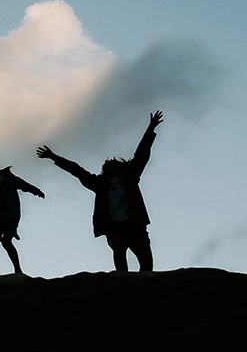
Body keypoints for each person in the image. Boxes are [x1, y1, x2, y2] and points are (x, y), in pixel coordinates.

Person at [36, 111, 163, 272]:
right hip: (114, 226)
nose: (105, 162)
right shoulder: (99, 183)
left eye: (109, 161)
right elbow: (77, 170)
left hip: (134, 223)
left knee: (146, 261)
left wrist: (150, 128)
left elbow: (142, 154)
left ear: (117, 165)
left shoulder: (130, 175)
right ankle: (123, 281)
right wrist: (54, 157)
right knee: (119, 251)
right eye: (105, 163)